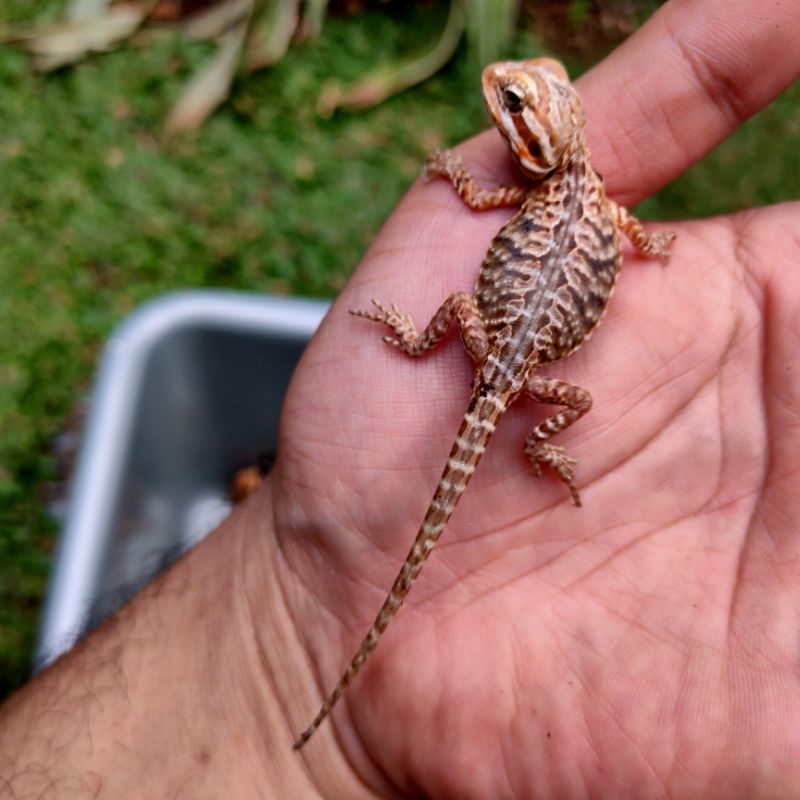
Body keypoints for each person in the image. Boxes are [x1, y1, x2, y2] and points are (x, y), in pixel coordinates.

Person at [2, 0, 799, 795]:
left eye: (518, 105)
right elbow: (631, 230)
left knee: (452, 316)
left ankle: (447, 375)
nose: (501, 92)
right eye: (518, 93)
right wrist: (644, 247)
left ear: (538, 140)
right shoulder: (598, 200)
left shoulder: (533, 197)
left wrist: (453, 205)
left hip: (491, 343)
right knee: (561, 407)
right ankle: (542, 443)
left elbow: (491, 209)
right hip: (531, 374)